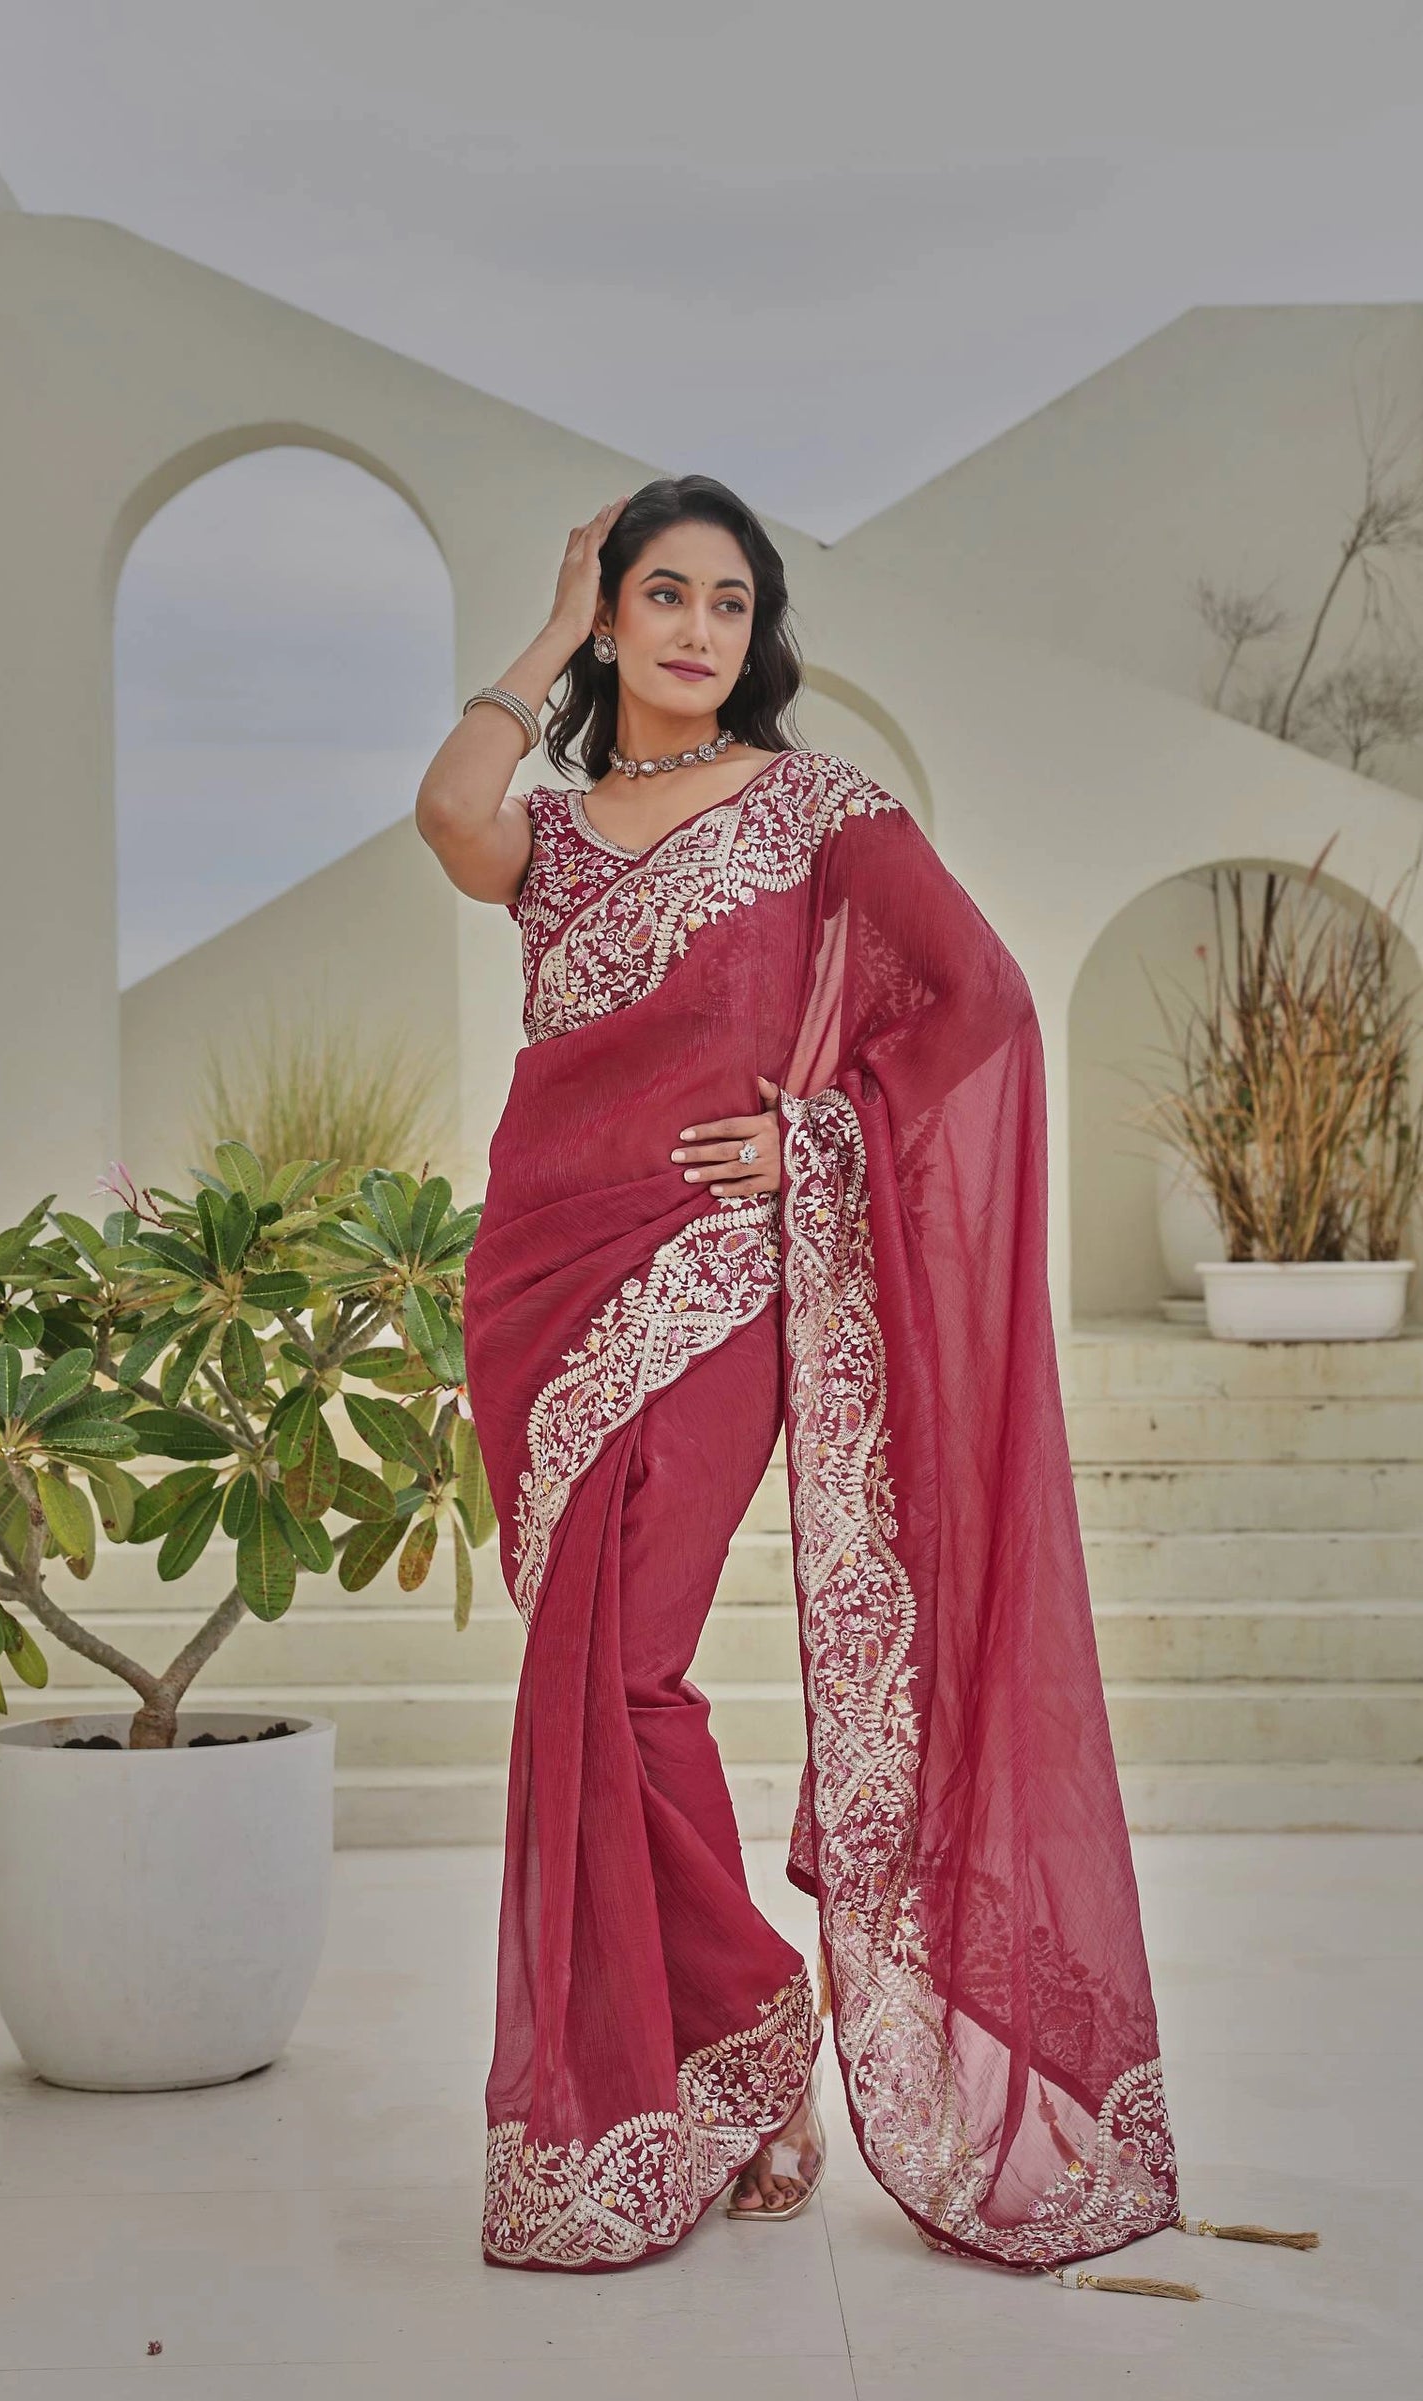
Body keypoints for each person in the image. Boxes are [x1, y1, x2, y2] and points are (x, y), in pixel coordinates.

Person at [413, 475, 1179, 2277]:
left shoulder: (825, 814)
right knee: (593, 1671)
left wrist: (820, 1131)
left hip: (707, 1285)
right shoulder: (560, 827)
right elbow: (449, 809)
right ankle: (741, 2047)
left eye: (729, 604)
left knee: (628, 1664)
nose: (694, 629)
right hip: (539, 1273)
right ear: (611, 619)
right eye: (659, 596)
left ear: (760, 638)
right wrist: (546, 621)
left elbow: (979, 1005)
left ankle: (730, 2047)